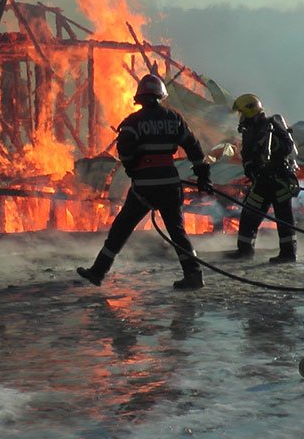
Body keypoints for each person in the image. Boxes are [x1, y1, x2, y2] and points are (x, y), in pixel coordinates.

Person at [77, 74, 212, 290]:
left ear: (139, 97)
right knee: (177, 232)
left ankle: (98, 271)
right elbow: (193, 146)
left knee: (121, 228)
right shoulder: (173, 118)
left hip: (144, 187)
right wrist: (203, 175)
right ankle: (194, 275)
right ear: (160, 96)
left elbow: (126, 152)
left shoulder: (132, 122)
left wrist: (132, 169)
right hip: (170, 183)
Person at [230, 93, 299, 263]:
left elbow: (288, 147)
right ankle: (244, 250)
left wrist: (274, 144)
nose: (240, 117)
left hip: (278, 179)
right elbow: (246, 154)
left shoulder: (271, 124)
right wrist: (251, 170)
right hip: (261, 180)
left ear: (249, 110)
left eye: (241, 112)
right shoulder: (248, 130)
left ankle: (288, 254)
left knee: (284, 217)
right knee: (249, 214)